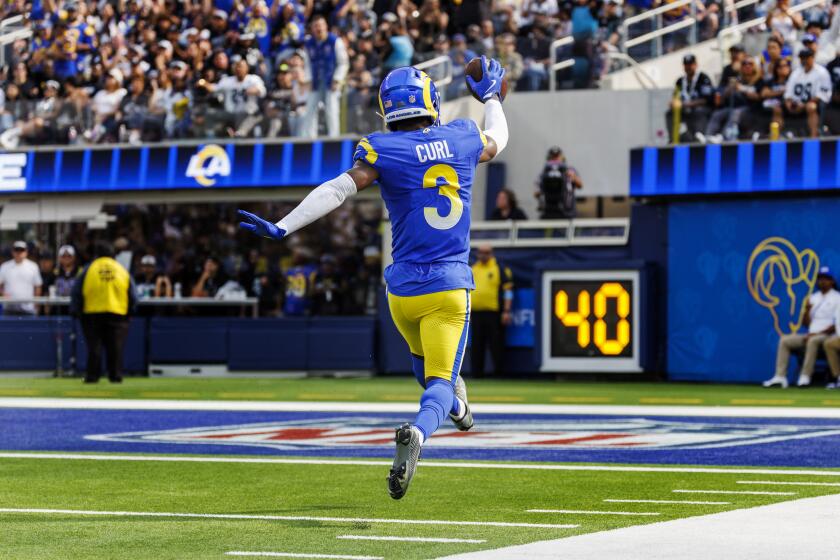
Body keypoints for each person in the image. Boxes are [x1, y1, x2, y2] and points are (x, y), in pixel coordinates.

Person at [238, 57, 508, 499]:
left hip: (400, 292)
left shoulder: (383, 148)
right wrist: (492, 97)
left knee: (429, 372)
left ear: (388, 109)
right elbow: (499, 137)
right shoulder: (461, 136)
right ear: (431, 102)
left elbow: (338, 189)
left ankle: (459, 408)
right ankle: (422, 431)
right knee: (439, 384)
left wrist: (283, 226)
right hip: (447, 286)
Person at [70, 242, 137, 384]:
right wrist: (130, 312)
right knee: (116, 347)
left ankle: (92, 376)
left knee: (94, 347)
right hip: (118, 313)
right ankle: (116, 375)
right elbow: (133, 294)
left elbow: (76, 292)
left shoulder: (89, 269)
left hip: (92, 313)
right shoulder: (121, 269)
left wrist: (76, 311)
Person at [764, 267, 840, 388]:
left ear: (832, 281)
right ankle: (780, 376)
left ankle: (805, 376)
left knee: (813, 341)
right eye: (820, 279)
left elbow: (837, 324)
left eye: (825, 279)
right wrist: (807, 310)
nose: (822, 281)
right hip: (810, 334)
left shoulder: (837, 298)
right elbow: (806, 324)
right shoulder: (813, 297)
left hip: (827, 336)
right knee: (785, 340)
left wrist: (816, 334)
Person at [300, 15, 349, 137]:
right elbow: (306, 64)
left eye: (321, 25)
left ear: (326, 26)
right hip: (315, 81)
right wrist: (308, 79)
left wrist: (337, 79)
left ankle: (334, 137)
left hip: (331, 80)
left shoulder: (335, 41)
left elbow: (343, 62)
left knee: (331, 110)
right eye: (316, 26)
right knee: (310, 110)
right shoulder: (309, 44)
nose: (319, 28)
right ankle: (310, 138)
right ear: (312, 29)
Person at [470, 244, 514, 377]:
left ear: (492, 253)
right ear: (477, 254)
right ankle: (477, 374)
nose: (483, 255)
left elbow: (508, 291)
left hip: (494, 313)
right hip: (476, 313)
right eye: (481, 252)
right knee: (477, 345)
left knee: (496, 344)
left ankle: (499, 373)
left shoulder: (500, 268)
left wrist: (506, 310)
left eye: (487, 252)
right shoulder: (472, 269)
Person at [782, 47, 832, 137]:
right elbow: (788, 92)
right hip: (796, 104)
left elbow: (823, 94)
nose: (804, 60)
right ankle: (777, 137)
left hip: (812, 105)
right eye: (802, 58)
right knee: (777, 108)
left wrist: (804, 105)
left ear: (812, 57)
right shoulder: (796, 73)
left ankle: (813, 137)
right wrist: (788, 103)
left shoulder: (822, 72)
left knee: (811, 107)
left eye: (807, 57)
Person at [666, 54, 715, 143]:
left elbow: (706, 100)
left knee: (698, 111)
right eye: (686, 65)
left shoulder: (703, 78)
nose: (688, 67)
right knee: (670, 113)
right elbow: (676, 97)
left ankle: (699, 136)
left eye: (690, 64)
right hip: (685, 109)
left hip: (701, 109)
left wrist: (686, 104)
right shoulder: (680, 81)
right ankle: (673, 139)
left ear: (696, 65)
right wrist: (673, 102)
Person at [536, 146, 583, 219]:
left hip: (568, 212)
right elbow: (537, 192)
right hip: (549, 211)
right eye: (553, 157)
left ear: (562, 157)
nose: (555, 159)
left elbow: (580, 185)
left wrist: (572, 177)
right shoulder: (544, 173)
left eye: (557, 157)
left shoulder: (569, 170)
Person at [0, 241, 43, 316]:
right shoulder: (5, 266)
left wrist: (36, 304)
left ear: (26, 252)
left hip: (28, 308)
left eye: (22, 250)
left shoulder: (33, 266)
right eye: (17, 250)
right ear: (12, 252)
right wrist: (3, 293)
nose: (19, 253)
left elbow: (38, 286)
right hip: (9, 308)